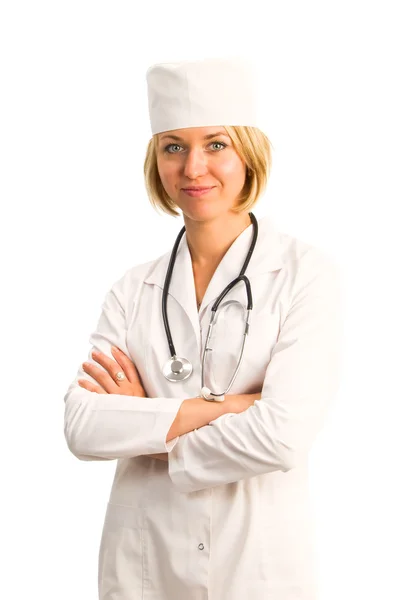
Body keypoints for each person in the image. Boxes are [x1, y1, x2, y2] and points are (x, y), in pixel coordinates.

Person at [63, 57, 343, 600]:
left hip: (258, 565)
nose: (193, 168)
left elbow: (283, 435)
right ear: (156, 159)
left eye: (216, 144)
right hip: (142, 563)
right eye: (173, 146)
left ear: (248, 153)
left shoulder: (305, 274)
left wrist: (146, 430)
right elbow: (83, 425)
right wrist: (234, 408)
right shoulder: (133, 288)